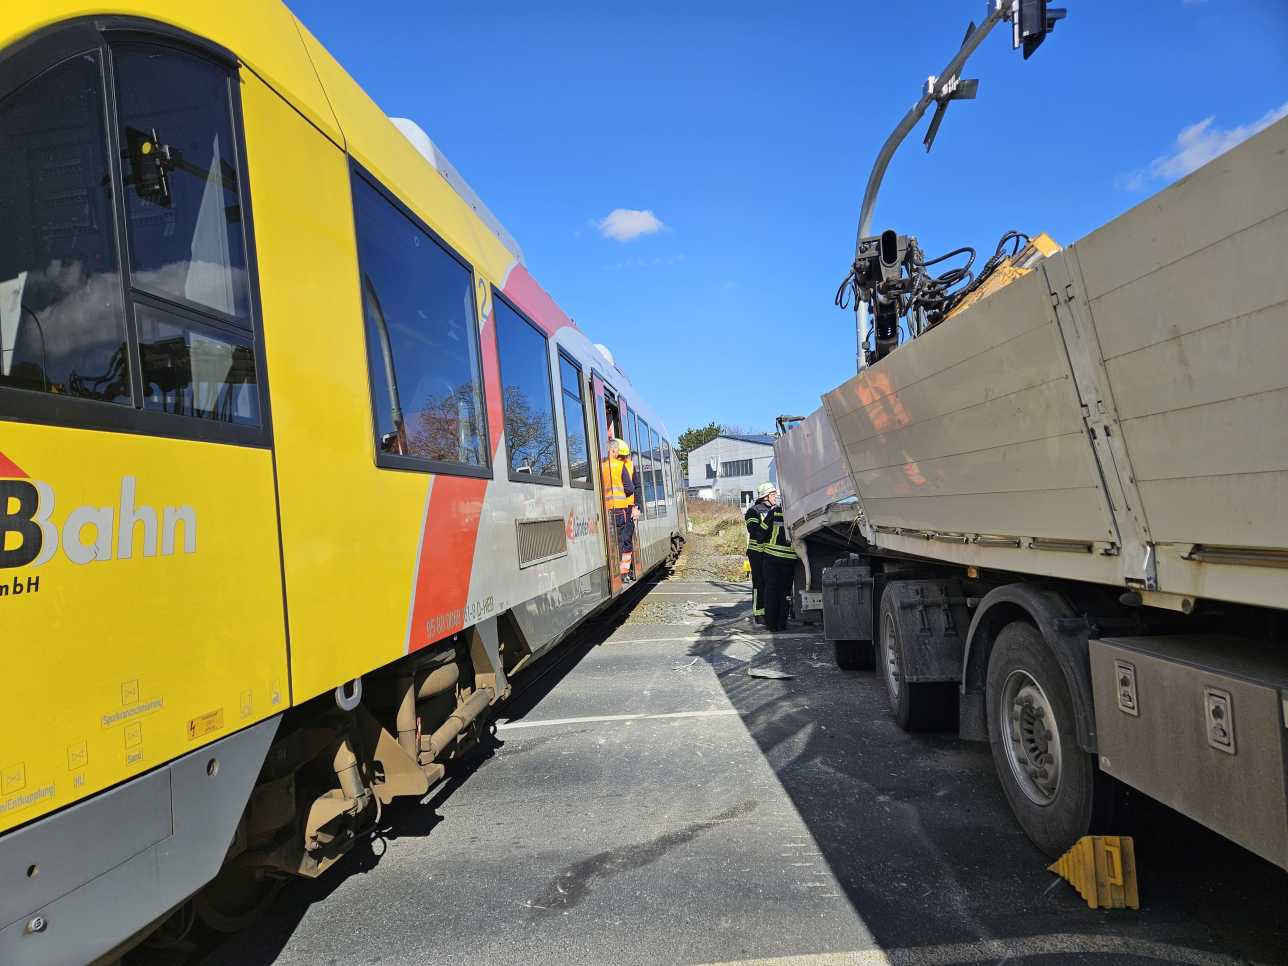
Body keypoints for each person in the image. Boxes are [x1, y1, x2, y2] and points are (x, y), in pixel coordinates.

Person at [759, 484, 798, 632]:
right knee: (785, 592)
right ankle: (782, 623)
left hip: (771, 559)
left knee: (771, 592)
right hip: (789, 560)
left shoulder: (775, 512)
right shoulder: (797, 513)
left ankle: (771, 625)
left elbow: (761, 532)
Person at [605, 438, 640, 584]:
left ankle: (624, 571)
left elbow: (636, 487)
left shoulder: (628, 465)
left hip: (625, 508)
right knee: (622, 541)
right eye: (620, 455)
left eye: (624, 456)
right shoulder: (618, 466)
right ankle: (621, 572)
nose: (622, 458)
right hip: (620, 509)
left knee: (623, 540)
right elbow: (631, 488)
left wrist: (636, 506)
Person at [745, 482, 774, 624]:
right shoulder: (753, 511)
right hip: (756, 553)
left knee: (770, 582)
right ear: (765, 496)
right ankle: (759, 613)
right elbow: (754, 530)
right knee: (759, 582)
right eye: (773, 494)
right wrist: (768, 523)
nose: (775, 497)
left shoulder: (774, 510)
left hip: (770, 552)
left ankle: (769, 610)